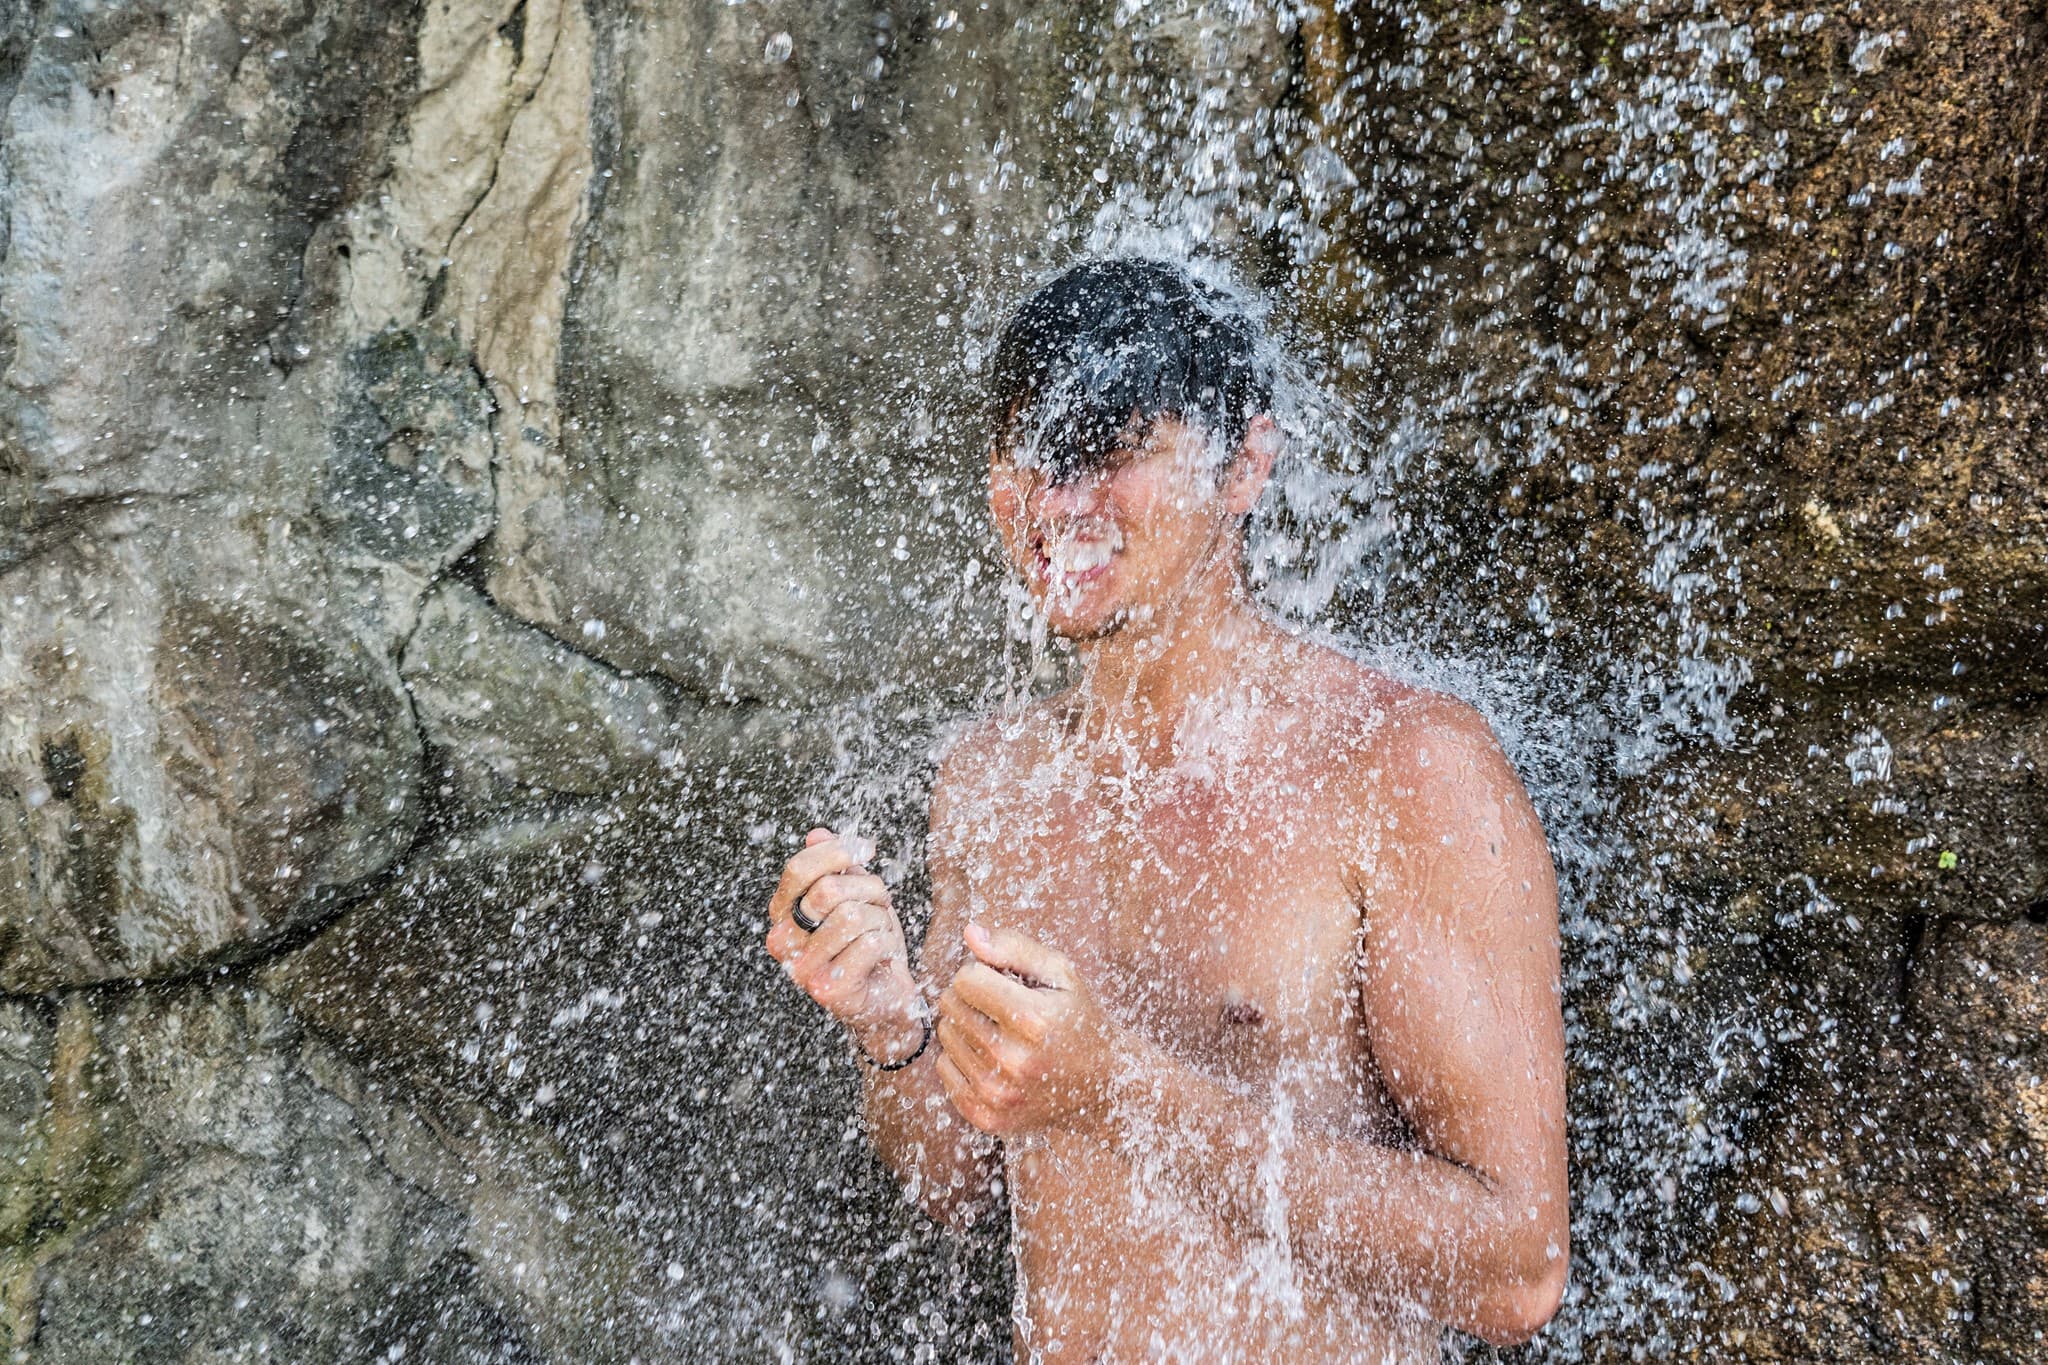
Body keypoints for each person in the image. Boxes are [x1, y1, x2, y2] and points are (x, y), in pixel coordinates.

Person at [763, 258, 1568, 1362]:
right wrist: (891, 1029)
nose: (1060, 503)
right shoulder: (993, 780)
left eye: (1113, 449)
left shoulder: (1400, 769)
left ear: (1244, 465)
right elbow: (954, 1188)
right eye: (1033, 458)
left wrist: (1121, 1093)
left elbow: (1515, 1268)